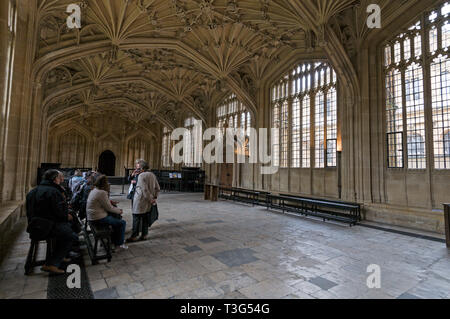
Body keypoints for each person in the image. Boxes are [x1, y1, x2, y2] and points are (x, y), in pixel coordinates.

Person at [26, 169, 79, 275]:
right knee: (71, 236)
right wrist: (67, 216)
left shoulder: (33, 191)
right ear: (55, 179)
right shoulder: (53, 191)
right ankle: (52, 263)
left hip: (34, 226)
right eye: (61, 177)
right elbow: (59, 213)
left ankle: (60, 255)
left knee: (66, 228)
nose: (63, 179)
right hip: (48, 227)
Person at [86, 175, 128, 250]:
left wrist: (111, 202)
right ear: (105, 184)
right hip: (97, 218)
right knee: (122, 223)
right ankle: (119, 244)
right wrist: (119, 211)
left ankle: (114, 239)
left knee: (115, 218)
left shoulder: (94, 190)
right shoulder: (102, 192)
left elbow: (103, 203)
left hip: (92, 216)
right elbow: (109, 208)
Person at [127, 160, 160, 243]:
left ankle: (134, 236)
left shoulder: (141, 176)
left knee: (136, 217)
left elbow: (144, 190)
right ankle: (144, 235)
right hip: (148, 200)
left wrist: (151, 199)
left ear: (141, 168)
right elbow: (157, 188)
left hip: (140, 200)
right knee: (145, 217)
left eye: (138, 168)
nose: (137, 169)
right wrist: (154, 197)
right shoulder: (152, 175)